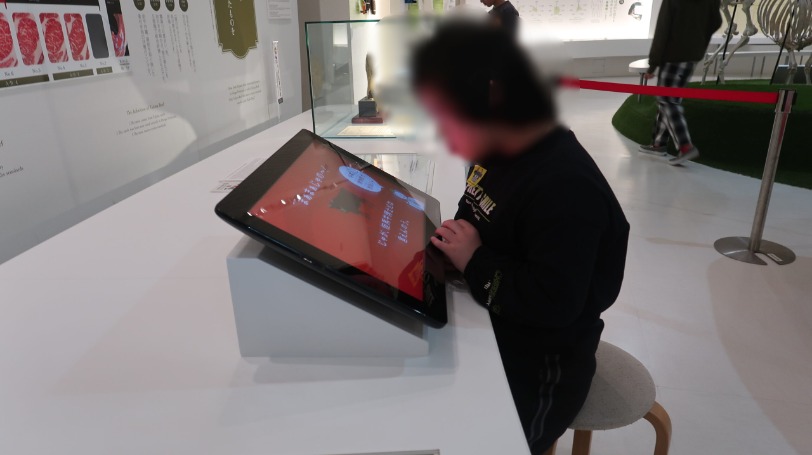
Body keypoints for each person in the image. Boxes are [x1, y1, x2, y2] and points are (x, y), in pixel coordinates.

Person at [411, 22, 630, 454]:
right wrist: (449, 249)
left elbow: (554, 302)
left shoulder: (566, 189)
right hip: (491, 324)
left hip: (545, 366)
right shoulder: (499, 151)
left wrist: (474, 260)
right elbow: (474, 215)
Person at [640, 0, 722, 165]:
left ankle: (685, 146)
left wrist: (653, 64)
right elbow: (716, 22)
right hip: (692, 56)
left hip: (673, 55)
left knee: (667, 100)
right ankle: (658, 144)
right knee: (668, 99)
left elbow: (663, 30)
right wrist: (698, 39)